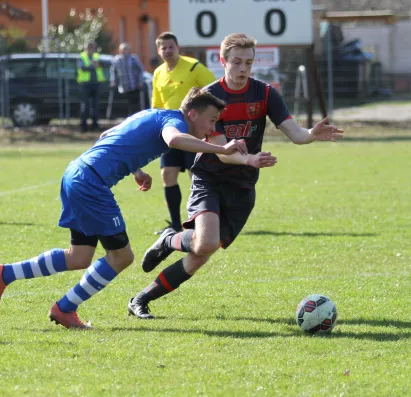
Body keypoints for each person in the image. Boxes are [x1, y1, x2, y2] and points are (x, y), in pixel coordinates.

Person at [0, 87, 248, 330]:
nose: (213, 127)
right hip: (91, 183)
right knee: (121, 257)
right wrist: (220, 148)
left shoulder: (154, 113)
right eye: (212, 120)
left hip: (76, 173)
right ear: (193, 113)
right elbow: (174, 140)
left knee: (79, 257)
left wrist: (135, 169)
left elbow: (106, 135)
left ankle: (5, 274)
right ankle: (64, 308)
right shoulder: (175, 122)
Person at [127, 33, 344, 319]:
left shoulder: (265, 94)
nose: (243, 68)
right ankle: (170, 239)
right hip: (210, 178)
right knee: (204, 243)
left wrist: (311, 135)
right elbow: (219, 150)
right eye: (237, 62)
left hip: (242, 186)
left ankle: (140, 299)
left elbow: (295, 133)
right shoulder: (211, 97)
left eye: (249, 63)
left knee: (202, 255)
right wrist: (250, 159)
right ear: (223, 60)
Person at [152, 32, 216, 235]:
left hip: (192, 132)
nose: (168, 51)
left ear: (178, 47)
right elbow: (156, 105)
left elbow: (213, 91)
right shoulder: (158, 73)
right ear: (158, 51)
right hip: (170, 133)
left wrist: (207, 120)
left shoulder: (194, 67)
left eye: (171, 46)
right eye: (164, 47)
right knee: (167, 174)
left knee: (195, 175)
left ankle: (201, 219)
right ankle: (175, 224)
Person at [110, 42, 147, 115]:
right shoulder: (117, 60)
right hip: (124, 87)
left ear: (129, 50)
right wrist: (113, 81)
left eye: (126, 49)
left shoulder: (133, 58)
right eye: (122, 49)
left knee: (135, 105)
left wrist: (140, 81)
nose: (124, 51)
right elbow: (113, 71)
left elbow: (141, 70)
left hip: (134, 85)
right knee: (127, 105)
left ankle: (136, 118)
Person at [77, 41, 106, 132]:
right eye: (90, 47)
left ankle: (95, 126)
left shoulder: (97, 56)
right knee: (85, 106)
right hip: (85, 84)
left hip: (96, 84)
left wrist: (94, 65)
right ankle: (83, 126)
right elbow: (82, 67)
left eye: (93, 47)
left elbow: (102, 65)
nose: (92, 49)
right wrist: (93, 66)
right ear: (86, 48)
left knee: (95, 106)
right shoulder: (81, 57)